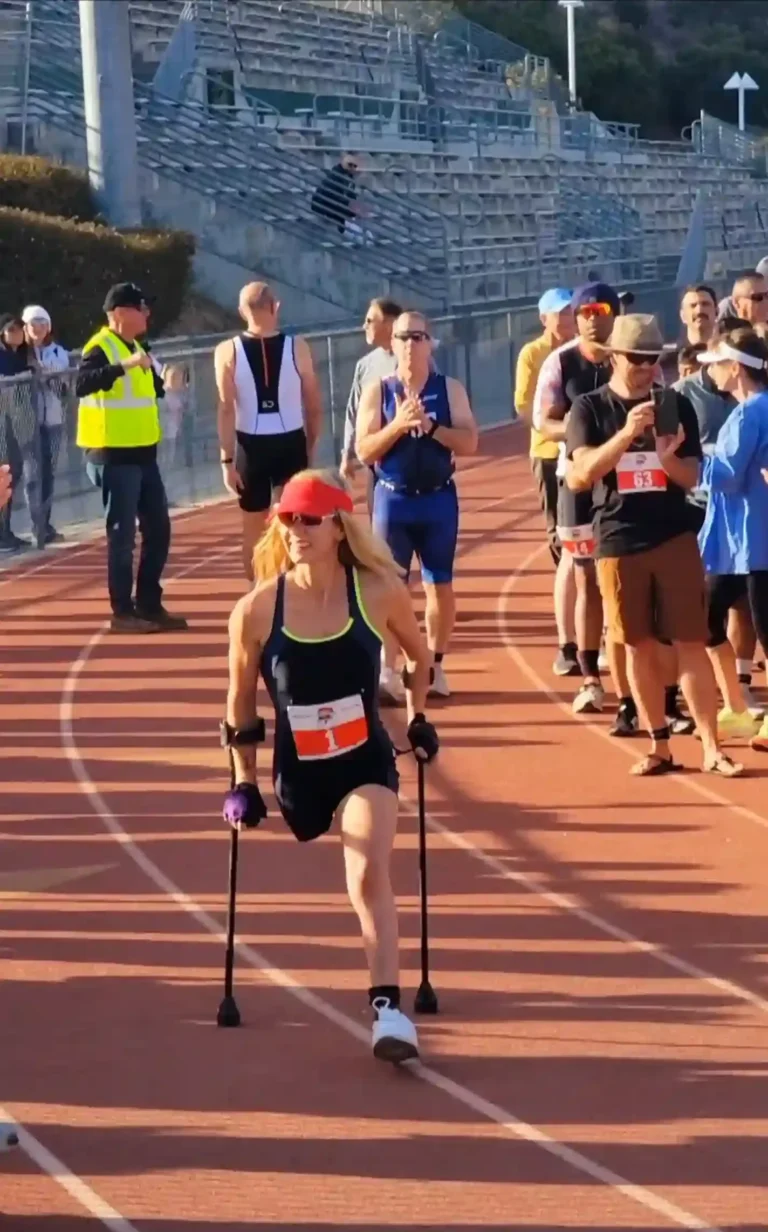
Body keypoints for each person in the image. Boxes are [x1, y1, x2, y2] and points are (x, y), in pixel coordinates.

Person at [221, 468, 439, 1063]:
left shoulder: (377, 591)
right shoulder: (256, 611)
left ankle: (387, 1009)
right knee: (349, 858)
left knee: (368, 869)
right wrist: (242, 779)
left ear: (340, 527)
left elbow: (421, 660)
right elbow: (239, 704)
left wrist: (417, 716)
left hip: (365, 756)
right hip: (300, 770)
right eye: (288, 517)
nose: (296, 528)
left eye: (310, 518)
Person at [566, 313, 742, 778]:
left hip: (673, 535)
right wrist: (626, 433)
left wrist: (665, 457)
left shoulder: (674, 404)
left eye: (653, 359)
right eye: (637, 359)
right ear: (614, 359)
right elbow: (581, 475)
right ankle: (659, 744)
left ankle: (710, 746)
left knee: (691, 640)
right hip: (619, 540)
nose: (647, 368)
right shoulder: (590, 408)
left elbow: (690, 478)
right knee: (638, 645)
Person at [355, 310, 479, 700]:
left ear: (430, 343)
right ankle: (387, 670)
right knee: (390, 587)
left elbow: (470, 442)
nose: (411, 345)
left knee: (439, 584)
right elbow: (364, 449)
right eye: (404, 337)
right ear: (392, 343)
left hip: (438, 499)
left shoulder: (449, 389)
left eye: (418, 337)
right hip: (393, 499)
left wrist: (432, 428)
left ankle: (435, 665)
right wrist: (398, 425)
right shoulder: (379, 389)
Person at [75, 282, 187, 634]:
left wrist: (154, 373)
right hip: (113, 455)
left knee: (159, 529)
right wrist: (126, 365)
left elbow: (152, 390)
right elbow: (83, 384)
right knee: (122, 536)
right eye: (142, 307)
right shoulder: (100, 347)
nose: (148, 313)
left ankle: (149, 604)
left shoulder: (140, 347)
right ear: (121, 313)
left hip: (143, 454)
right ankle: (122, 611)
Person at [534, 281, 618, 708]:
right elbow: (540, 423)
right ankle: (588, 675)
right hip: (577, 481)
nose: (588, 318)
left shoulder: (632, 357)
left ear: (613, 314)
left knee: (621, 573)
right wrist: (581, 433)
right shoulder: (560, 364)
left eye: (598, 309)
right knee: (583, 570)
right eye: (582, 311)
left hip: (621, 484)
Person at [214, 281, 323, 580]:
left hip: (250, 446)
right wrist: (309, 447)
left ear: (241, 311)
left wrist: (226, 460)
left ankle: (256, 595)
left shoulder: (227, 351)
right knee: (294, 522)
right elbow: (313, 403)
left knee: (252, 528)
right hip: (291, 443)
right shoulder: (297, 346)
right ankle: (294, 590)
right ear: (275, 307)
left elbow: (225, 407)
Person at [695, 327, 768, 751]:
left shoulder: (748, 414)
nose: (713, 374)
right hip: (739, 545)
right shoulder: (750, 411)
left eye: (718, 365)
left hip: (754, 542)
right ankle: (736, 707)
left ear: (736, 369)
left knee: (764, 628)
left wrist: (682, 463)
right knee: (704, 615)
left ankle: (740, 708)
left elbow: (726, 476)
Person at [514, 287, 575, 570]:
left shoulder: (580, 349)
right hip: (547, 452)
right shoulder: (532, 354)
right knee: (556, 520)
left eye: (570, 311)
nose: (567, 317)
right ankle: (564, 574)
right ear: (544, 319)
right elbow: (524, 405)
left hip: (579, 450)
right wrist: (549, 430)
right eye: (560, 313)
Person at [340, 297, 401, 505]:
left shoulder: (414, 360)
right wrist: (346, 455)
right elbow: (353, 411)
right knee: (377, 527)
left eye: (370, 320)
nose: (364, 326)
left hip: (407, 464)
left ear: (390, 323)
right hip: (375, 463)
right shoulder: (364, 365)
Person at [22, 304, 69, 546]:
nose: (37, 328)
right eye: (32, 324)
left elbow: (60, 370)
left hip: (52, 419)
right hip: (27, 421)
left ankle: (45, 524)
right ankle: (36, 526)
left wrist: (39, 368)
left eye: (42, 323)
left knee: (48, 473)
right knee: (32, 475)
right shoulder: (20, 353)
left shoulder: (57, 351)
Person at [0, 315, 32, 555]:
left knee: (14, 473)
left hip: (16, 423)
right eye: (11, 329)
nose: (17, 333)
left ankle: (6, 530)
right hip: (3, 425)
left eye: (20, 329)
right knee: (7, 475)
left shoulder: (21, 355)